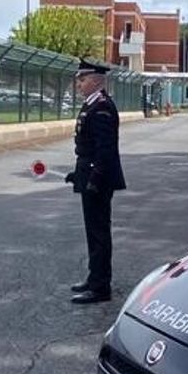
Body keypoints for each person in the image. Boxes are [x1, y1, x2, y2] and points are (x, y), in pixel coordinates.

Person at [66, 58, 125, 304]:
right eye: (79, 79)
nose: (78, 84)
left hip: (98, 179)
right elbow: (87, 147)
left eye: (83, 79)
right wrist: (77, 174)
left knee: (99, 233)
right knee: (93, 232)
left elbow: (105, 149)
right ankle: (94, 277)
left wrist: (93, 179)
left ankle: (100, 287)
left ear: (96, 81)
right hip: (90, 174)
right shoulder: (90, 104)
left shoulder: (101, 106)